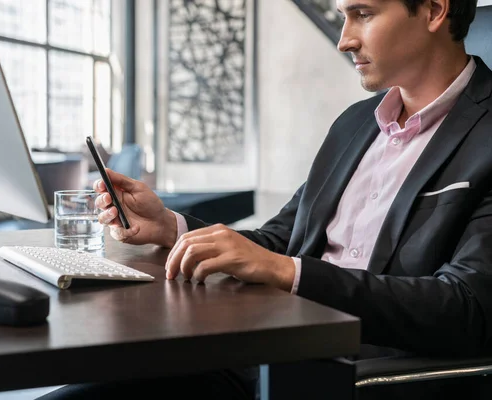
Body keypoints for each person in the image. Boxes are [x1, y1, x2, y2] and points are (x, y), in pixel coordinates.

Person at [41, 0, 492, 398]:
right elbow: (279, 240)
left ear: (435, 10)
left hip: (361, 377)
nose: (344, 40)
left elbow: (466, 307)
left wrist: (287, 272)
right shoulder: (355, 124)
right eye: (342, 17)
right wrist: (172, 228)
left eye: (362, 13)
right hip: (262, 354)